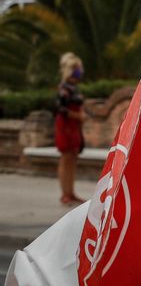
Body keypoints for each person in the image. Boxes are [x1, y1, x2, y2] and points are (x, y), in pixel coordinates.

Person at [55, 52, 86, 205]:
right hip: (65, 125)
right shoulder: (64, 88)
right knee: (65, 158)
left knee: (73, 157)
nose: (79, 70)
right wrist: (77, 115)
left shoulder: (74, 87)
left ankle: (71, 192)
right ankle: (64, 194)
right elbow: (60, 108)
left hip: (74, 126)